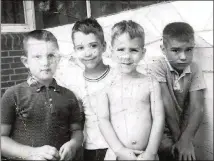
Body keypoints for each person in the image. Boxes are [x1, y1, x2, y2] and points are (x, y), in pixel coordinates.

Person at [1, 30, 83, 160]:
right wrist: (30, 153)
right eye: (37, 57)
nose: (45, 62)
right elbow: (2, 139)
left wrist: (72, 145)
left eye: (51, 55)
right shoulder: (13, 94)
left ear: (59, 59)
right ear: (25, 61)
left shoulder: (69, 96)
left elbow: (76, 131)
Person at [96, 20, 165, 160]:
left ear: (143, 53)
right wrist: (119, 150)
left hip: (146, 155)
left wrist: (151, 153)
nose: (126, 56)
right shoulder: (105, 86)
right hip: (116, 155)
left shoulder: (151, 83)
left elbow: (159, 118)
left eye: (133, 50)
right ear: (111, 52)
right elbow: (103, 120)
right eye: (121, 49)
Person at [148, 22, 206, 160]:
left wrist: (185, 140)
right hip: (158, 130)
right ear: (163, 49)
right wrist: (180, 140)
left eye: (189, 50)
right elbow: (166, 105)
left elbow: (197, 108)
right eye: (176, 50)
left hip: (181, 130)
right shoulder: (158, 66)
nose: (183, 57)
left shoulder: (195, 68)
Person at [68, 18, 118, 161]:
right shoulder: (74, 84)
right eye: (80, 48)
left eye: (93, 45)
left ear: (103, 46)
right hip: (92, 149)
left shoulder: (118, 76)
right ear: (74, 50)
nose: (87, 53)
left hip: (120, 146)